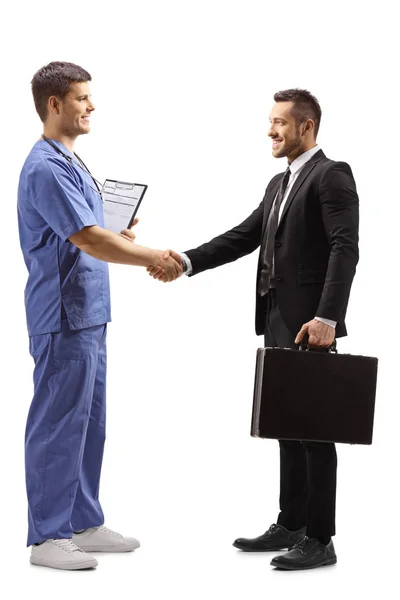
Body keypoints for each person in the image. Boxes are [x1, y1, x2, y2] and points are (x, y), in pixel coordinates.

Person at [147, 88, 359, 570]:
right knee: (287, 423)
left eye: (280, 122)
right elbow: (244, 236)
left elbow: (346, 247)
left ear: (306, 126)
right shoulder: (278, 184)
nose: (270, 130)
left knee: (316, 431)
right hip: (277, 318)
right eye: (271, 121)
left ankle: (321, 539)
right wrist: (186, 261)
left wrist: (328, 316)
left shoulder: (332, 175)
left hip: (310, 322)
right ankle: (292, 523)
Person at [18, 61, 182, 571]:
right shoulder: (45, 166)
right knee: (57, 422)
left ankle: (83, 523)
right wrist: (154, 255)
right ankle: (47, 536)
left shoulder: (72, 161)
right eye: (82, 98)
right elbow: (87, 238)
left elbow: (94, 231)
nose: (91, 106)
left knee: (89, 423)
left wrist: (120, 237)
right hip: (62, 313)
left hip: (90, 311)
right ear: (54, 104)